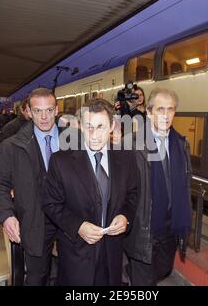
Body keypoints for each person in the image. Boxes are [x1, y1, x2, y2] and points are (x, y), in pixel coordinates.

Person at [42, 98, 138, 286]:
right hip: (76, 257)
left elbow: (133, 194)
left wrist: (126, 216)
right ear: (79, 126)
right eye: (88, 127)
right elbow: (51, 203)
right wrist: (78, 226)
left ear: (111, 126)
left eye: (101, 126)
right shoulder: (60, 161)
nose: (94, 135)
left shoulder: (126, 158)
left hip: (112, 255)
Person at [0, 88, 60, 285]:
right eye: (38, 111)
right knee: (37, 277)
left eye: (49, 110)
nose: (44, 117)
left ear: (56, 110)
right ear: (28, 111)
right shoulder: (12, 146)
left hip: (70, 221)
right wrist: (7, 216)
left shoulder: (75, 139)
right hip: (34, 222)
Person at [124, 88, 193, 286]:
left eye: (170, 109)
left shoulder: (181, 143)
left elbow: (185, 183)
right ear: (149, 111)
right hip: (143, 226)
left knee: (162, 270)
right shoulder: (131, 143)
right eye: (160, 109)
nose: (165, 115)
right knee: (143, 281)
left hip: (172, 226)